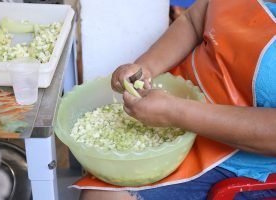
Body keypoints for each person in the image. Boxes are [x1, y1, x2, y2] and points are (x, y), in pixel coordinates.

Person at [80, 0, 276, 199]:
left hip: (236, 162)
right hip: (173, 113)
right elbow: (192, 22)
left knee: (102, 195)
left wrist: (175, 113)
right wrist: (145, 68)